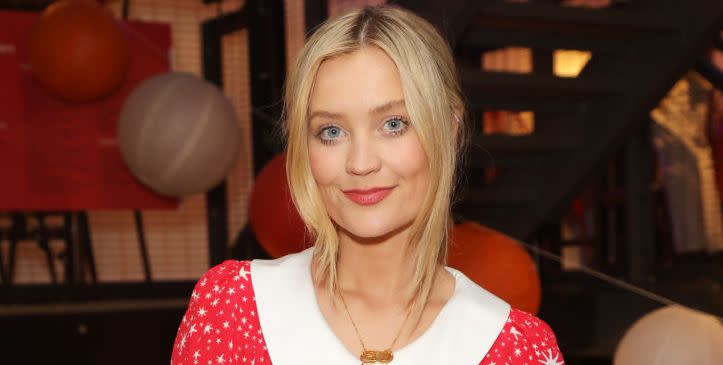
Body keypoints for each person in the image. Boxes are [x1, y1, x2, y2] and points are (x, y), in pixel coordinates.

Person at [171, 5, 564, 365]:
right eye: (331, 131)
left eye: (393, 124)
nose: (360, 163)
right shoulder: (231, 311)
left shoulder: (516, 350)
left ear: (449, 128)